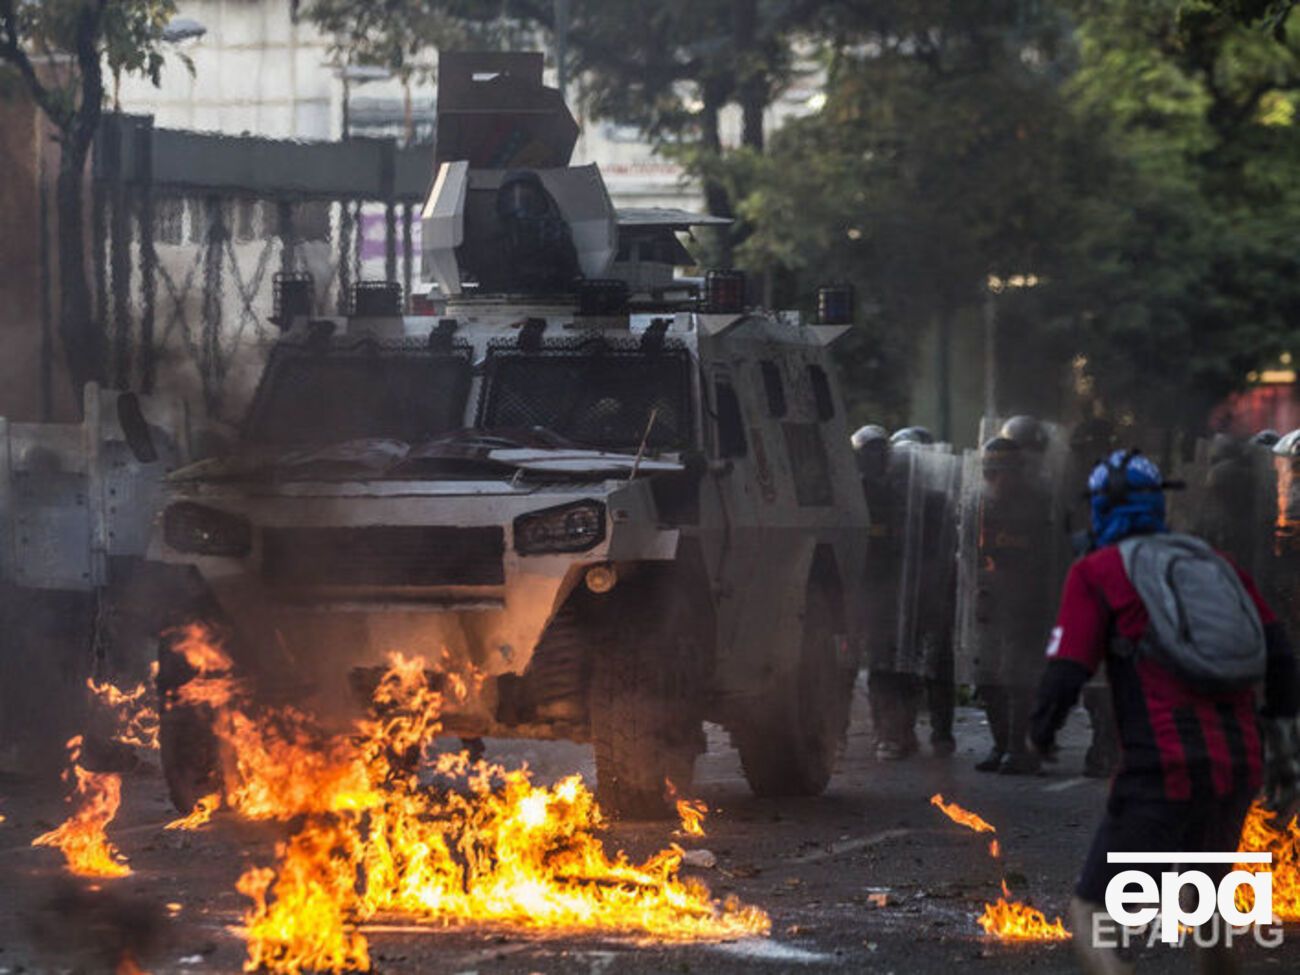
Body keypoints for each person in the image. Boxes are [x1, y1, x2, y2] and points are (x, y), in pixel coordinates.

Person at [1030, 449, 1300, 975]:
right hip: (1237, 769)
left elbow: (1067, 671)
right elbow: (1283, 657)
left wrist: (1039, 734)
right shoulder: (1216, 565)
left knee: (1092, 915)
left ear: (1099, 510)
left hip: (1162, 773)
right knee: (1209, 917)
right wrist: (1283, 743)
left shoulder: (1098, 571)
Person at [971, 435, 1054, 774]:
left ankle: (1020, 748)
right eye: (992, 472)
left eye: (1005, 472)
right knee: (988, 677)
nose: (999, 480)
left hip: (1028, 603)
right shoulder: (979, 505)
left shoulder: (1039, 505)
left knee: (1019, 677)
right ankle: (1000, 744)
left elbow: (1050, 559)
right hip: (989, 603)